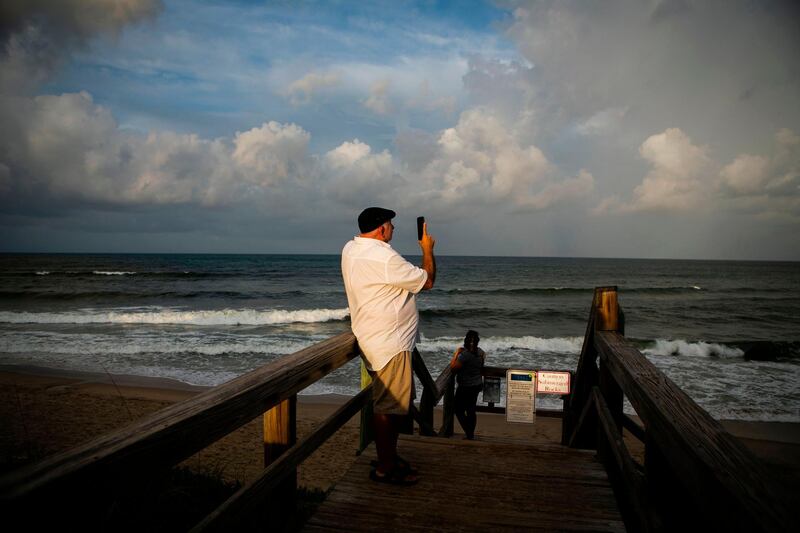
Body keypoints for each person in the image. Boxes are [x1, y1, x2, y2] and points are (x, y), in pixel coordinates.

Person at [341, 207, 436, 485]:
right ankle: (385, 467)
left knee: (390, 406)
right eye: (391, 225)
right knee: (388, 408)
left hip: (371, 337)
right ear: (381, 229)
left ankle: (389, 457)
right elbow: (427, 281)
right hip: (390, 344)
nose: (393, 230)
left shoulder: (350, 249)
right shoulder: (384, 256)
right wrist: (427, 249)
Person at [450, 330, 485, 440]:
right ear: (477, 341)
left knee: (458, 410)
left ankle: (469, 433)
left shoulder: (464, 355)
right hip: (477, 385)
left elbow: (453, 368)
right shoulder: (481, 353)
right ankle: (470, 434)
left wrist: (456, 354)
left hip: (465, 387)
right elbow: (481, 365)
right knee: (471, 410)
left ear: (466, 340)